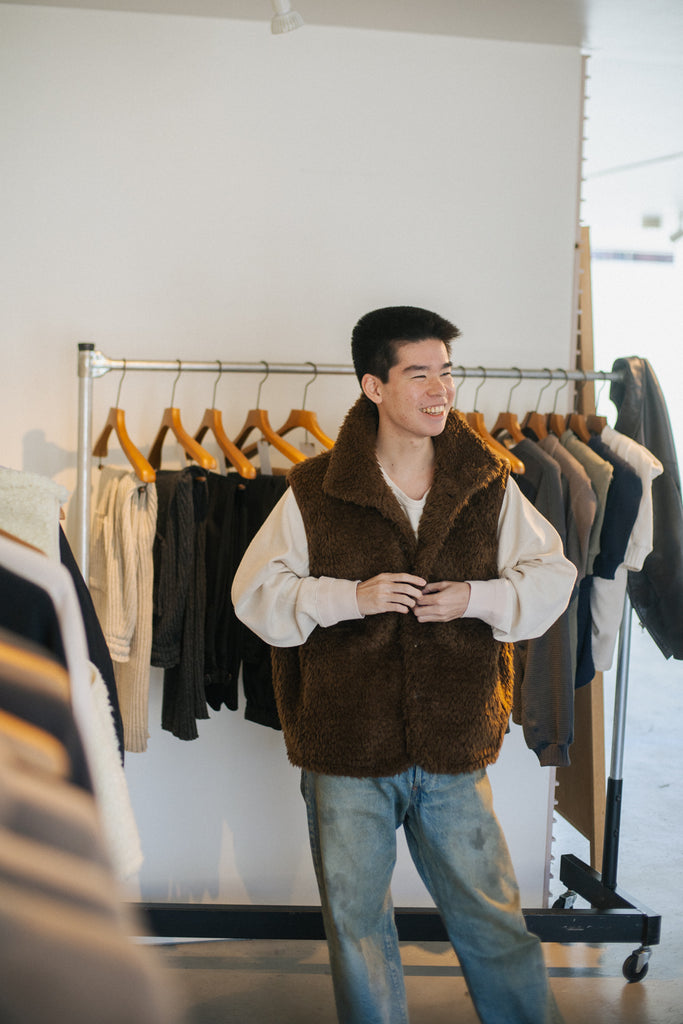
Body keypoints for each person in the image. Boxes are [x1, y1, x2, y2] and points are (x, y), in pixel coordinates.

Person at [232, 306, 576, 1024]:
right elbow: (256, 596)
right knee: (357, 931)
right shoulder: (315, 487)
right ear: (372, 385)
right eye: (418, 374)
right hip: (344, 747)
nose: (439, 390)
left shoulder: (489, 482)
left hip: (453, 746)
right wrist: (348, 597)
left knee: (494, 921)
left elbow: (552, 575)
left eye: (446, 373)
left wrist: (477, 598)